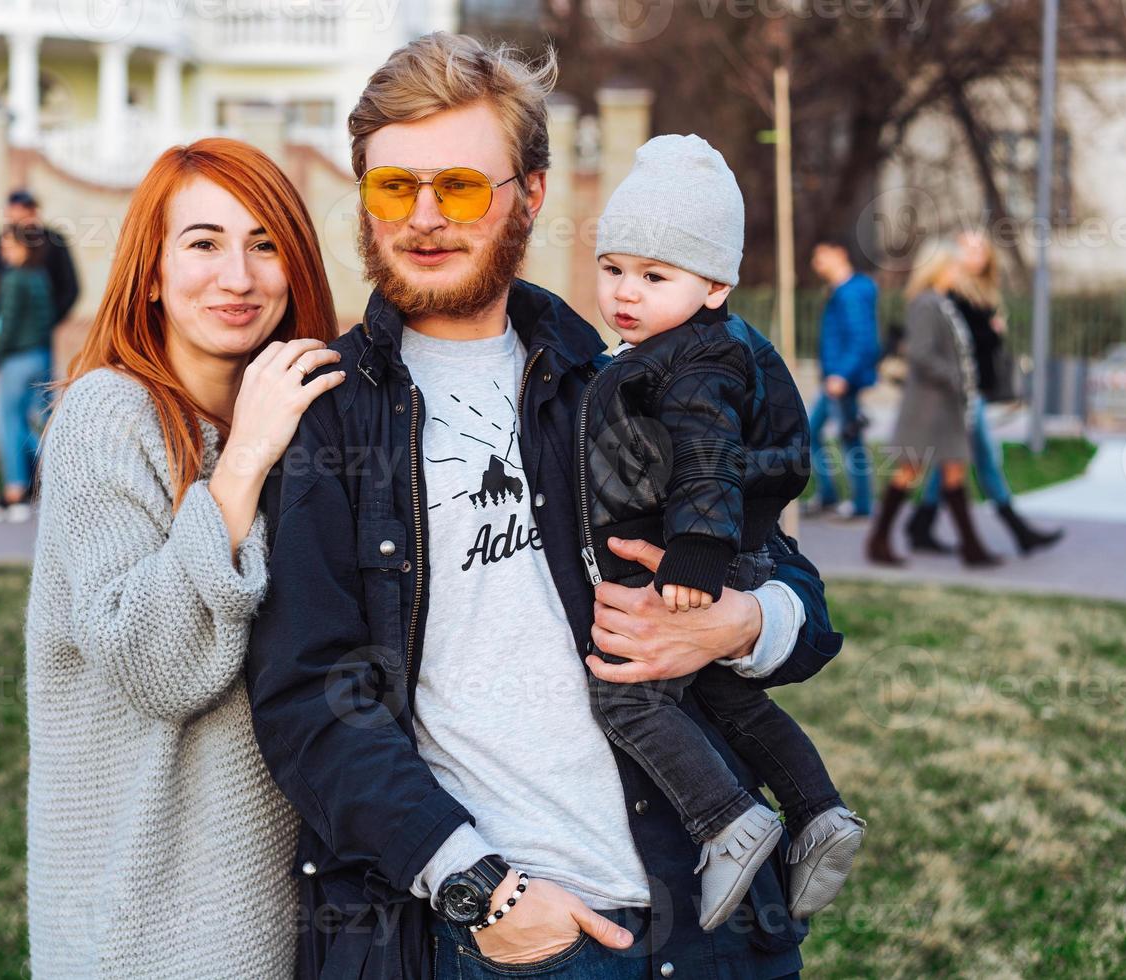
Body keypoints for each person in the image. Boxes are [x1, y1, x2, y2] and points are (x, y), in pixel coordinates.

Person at [247, 32, 845, 980]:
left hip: (712, 920)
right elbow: (310, 701)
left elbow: (801, 603)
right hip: (508, 941)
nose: (426, 217)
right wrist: (480, 890)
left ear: (529, 194)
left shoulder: (615, 378)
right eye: (395, 187)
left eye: (462, 187)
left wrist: (736, 624)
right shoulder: (327, 418)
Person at [23, 139, 342, 977]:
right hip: (146, 920)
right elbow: (159, 665)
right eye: (202, 243)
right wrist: (243, 464)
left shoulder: (310, 424)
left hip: (284, 901)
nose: (236, 277)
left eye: (264, 243)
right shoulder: (106, 418)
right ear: (153, 273)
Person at [581, 133, 865, 934]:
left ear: (715, 285)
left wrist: (697, 552)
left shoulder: (696, 363)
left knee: (622, 693)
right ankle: (818, 810)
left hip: (706, 554)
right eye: (613, 269)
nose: (626, 292)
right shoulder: (685, 344)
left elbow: (705, 452)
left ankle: (727, 821)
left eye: (654, 275)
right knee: (723, 691)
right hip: (725, 548)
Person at [904, 229, 1064, 555]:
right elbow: (953, 344)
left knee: (948, 459)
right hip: (959, 390)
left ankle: (920, 523)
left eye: (979, 250)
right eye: (966, 250)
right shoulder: (952, 293)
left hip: (972, 388)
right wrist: (991, 331)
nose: (973, 257)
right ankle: (1014, 530)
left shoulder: (982, 291)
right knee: (983, 458)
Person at [865, 241, 1001, 567]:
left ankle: (972, 548)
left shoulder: (942, 303)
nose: (959, 272)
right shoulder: (926, 304)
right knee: (908, 472)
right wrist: (955, 376)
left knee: (954, 473)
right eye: (953, 266)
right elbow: (921, 353)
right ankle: (878, 540)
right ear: (939, 268)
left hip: (944, 408)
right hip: (927, 407)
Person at [0, 223, 55, 522]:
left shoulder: (13, 280)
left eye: (9, 246)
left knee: (11, 424)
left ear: (25, 247)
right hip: (41, 356)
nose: (3, 251)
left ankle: (15, 493)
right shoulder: (40, 277)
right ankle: (48, 481)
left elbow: (8, 327)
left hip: (17, 360)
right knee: (39, 424)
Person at [804, 235, 881, 520]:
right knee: (815, 434)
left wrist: (842, 375)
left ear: (840, 253)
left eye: (820, 256)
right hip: (836, 379)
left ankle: (860, 504)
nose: (816, 264)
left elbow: (863, 339)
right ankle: (830, 495)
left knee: (848, 439)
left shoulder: (849, 293)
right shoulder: (841, 291)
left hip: (840, 380)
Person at [0, 189, 80, 330]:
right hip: (9, 324)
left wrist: (49, 320)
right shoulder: (2, 240)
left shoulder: (53, 240)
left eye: (25, 209)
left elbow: (70, 287)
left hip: (41, 328)